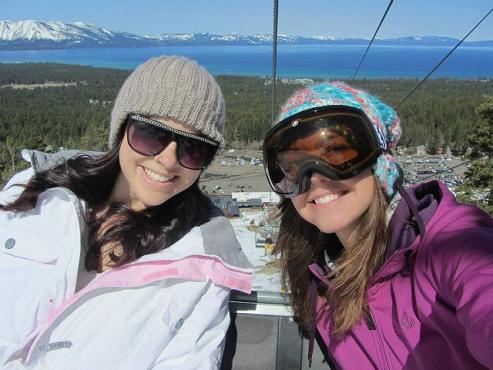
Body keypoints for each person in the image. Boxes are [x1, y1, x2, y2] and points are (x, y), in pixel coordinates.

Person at [0, 56, 252, 369]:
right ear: (122, 129)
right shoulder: (30, 192)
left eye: (193, 148)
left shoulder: (203, 266)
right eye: (151, 135)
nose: (168, 160)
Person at [262, 81, 493, 369]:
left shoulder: (446, 244)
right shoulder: (317, 280)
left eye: (337, 153)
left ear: (379, 161)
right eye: (295, 166)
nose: (316, 178)